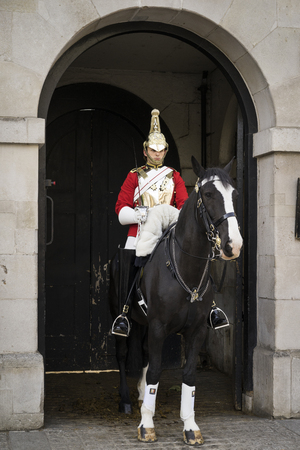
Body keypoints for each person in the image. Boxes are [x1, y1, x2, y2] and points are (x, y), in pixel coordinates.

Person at [111, 109, 228, 337]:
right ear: (145, 150)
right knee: (127, 259)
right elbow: (120, 208)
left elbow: (184, 205)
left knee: (198, 258)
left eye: (161, 150)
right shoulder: (134, 175)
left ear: (166, 150)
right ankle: (124, 312)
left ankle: (212, 308)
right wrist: (139, 215)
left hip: (171, 230)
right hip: (141, 230)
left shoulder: (174, 176)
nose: (157, 154)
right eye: (153, 150)